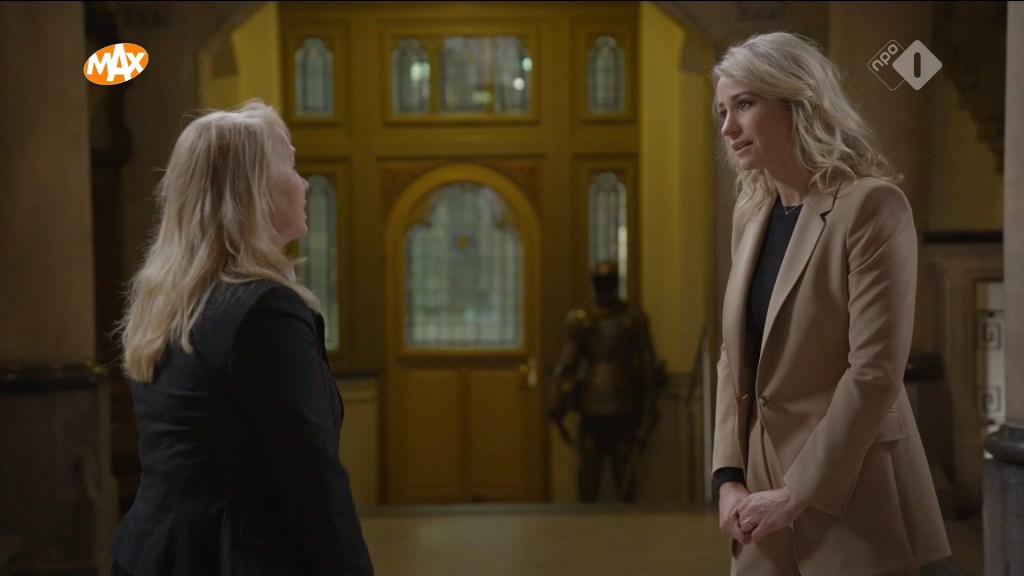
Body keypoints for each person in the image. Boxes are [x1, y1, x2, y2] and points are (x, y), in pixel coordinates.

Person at [709, 32, 950, 575]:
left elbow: (874, 371)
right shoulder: (750, 213)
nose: (728, 128)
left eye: (744, 105)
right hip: (757, 500)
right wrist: (728, 477)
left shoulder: (872, 206)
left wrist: (798, 492)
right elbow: (734, 355)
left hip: (854, 491)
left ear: (797, 102)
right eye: (723, 111)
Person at [110, 99, 374, 575]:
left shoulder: (173, 298)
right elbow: (312, 478)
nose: (304, 183)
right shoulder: (263, 311)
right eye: (291, 167)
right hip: (233, 558)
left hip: (157, 551)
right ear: (254, 190)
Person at [548, 261, 660, 502]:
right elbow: (568, 366)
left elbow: (648, 368)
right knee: (591, 469)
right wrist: (558, 400)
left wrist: (558, 401)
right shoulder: (587, 318)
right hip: (609, 399)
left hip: (612, 399)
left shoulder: (627, 318)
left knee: (617, 467)